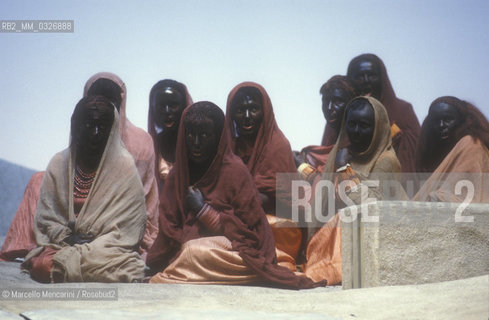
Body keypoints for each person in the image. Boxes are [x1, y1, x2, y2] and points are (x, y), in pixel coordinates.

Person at [147, 101, 323, 288]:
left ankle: (244, 274)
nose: (196, 144)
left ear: (218, 137)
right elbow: (168, 224)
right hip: (187, 247)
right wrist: (176, 243)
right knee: (187, 252)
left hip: (234, 249)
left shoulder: (234, 170)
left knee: (194, 252)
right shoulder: (179, 174)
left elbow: (250, 231)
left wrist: (203, 210)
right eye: (191, 135)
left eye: (205, 135)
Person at [0, 72, 159, 261]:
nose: (103, 105)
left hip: (117, 220)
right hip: (72, 218)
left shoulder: (139, 142)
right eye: (96, 99)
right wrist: (66, 233)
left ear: (121, 103)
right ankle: (32, 244)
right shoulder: (85, 129)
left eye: (111, 101)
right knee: (39, 180)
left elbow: (136, 202)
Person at [21, 96, 146, 283]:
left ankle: (72, 269)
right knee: (42, 265)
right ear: (76, 127)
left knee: (128, 267)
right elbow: (46, 218)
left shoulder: (124, 167)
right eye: (89, 125)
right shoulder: (59, 164)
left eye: (102, 127)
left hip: (105, 250)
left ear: (112, 130)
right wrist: (68, 238)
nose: (95, 133)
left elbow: (127, 228)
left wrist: (93, 245)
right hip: (63, 245)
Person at [305, 96, 406, 285]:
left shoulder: (385, 161)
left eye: (364, 125)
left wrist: (344, 171)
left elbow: (371, 207)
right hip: (340, 237)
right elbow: (325, 200)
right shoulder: (343, 153)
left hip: (374, 243)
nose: (356, 131)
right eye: (351, 124)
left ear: (378, 128)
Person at [226, 82, 302, 271]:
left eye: (253, 109)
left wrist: (238, 205)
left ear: (265, 111)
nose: (246, 117)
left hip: (276, 226)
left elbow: (284, 202)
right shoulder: (228, 147)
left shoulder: (277, 145)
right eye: (240, 110)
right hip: (240, 220)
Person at [347, 54, 420, 175]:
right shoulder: (343, 114)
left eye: (372, 75)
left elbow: (418, 151)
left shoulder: (402, 110)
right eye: (360, 76)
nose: (366, 81)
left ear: (382, 78)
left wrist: (395, 140)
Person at [414, 96, 489, 202]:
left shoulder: (472, 145)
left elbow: (462, 195)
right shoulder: (436, 150)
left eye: (448, 119)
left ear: (463, 120)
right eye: (436, 121)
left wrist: (439, 197)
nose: (441, 125)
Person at [295, 75, 356, 184]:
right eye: (326, 101)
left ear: (352, 104)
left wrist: (303, 168)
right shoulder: (326, 144)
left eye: (337, 101)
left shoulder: (358, 146)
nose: (329, 108)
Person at [147, 79, 193, 190]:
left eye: (173, 105)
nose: (167, 111)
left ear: (184, 107)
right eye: (161, 106)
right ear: (152, 110)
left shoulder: (196, 144)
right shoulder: (147, 147)